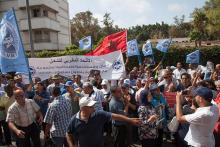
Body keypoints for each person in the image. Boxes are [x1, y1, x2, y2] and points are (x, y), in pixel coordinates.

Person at [66, 96, 141, 147]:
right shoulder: (74, 120)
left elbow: (114, 116)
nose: (93, 108)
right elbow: (68, 133)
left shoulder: (99, 114)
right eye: (91, 106)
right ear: (83, 108)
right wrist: (71, 145)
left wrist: (129, 120)